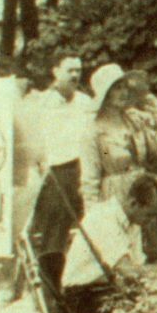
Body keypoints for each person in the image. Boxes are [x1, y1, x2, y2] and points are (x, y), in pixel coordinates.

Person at [80, 64, 157, 252]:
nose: (123, 92)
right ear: (105, 93)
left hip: (144, 194)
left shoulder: (134, 122)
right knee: (128, 252)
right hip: (116, 199)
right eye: (117, 88)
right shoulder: (94, 131)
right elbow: (91, 177)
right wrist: (94, 218)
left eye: (125, 87)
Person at [24, 53, 95, 299]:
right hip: (56, 174)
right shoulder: (41, 104)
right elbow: (31, 143)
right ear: (55, 71)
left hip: (85, 170)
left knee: (93, 228)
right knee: (55, 235)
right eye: (69, 70)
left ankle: (83, 290)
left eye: (78, 70)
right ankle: (52, 295)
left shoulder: (85, 102)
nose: (75, 75)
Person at [58, 174, 157, 313]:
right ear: (133, 203)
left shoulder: (134, 222)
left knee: (152, 308)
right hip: (81, 295)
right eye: (149, 215)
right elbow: (128, 271)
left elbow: (138, 267)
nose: (151, 221)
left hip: (103, 289)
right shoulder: (104, 217)